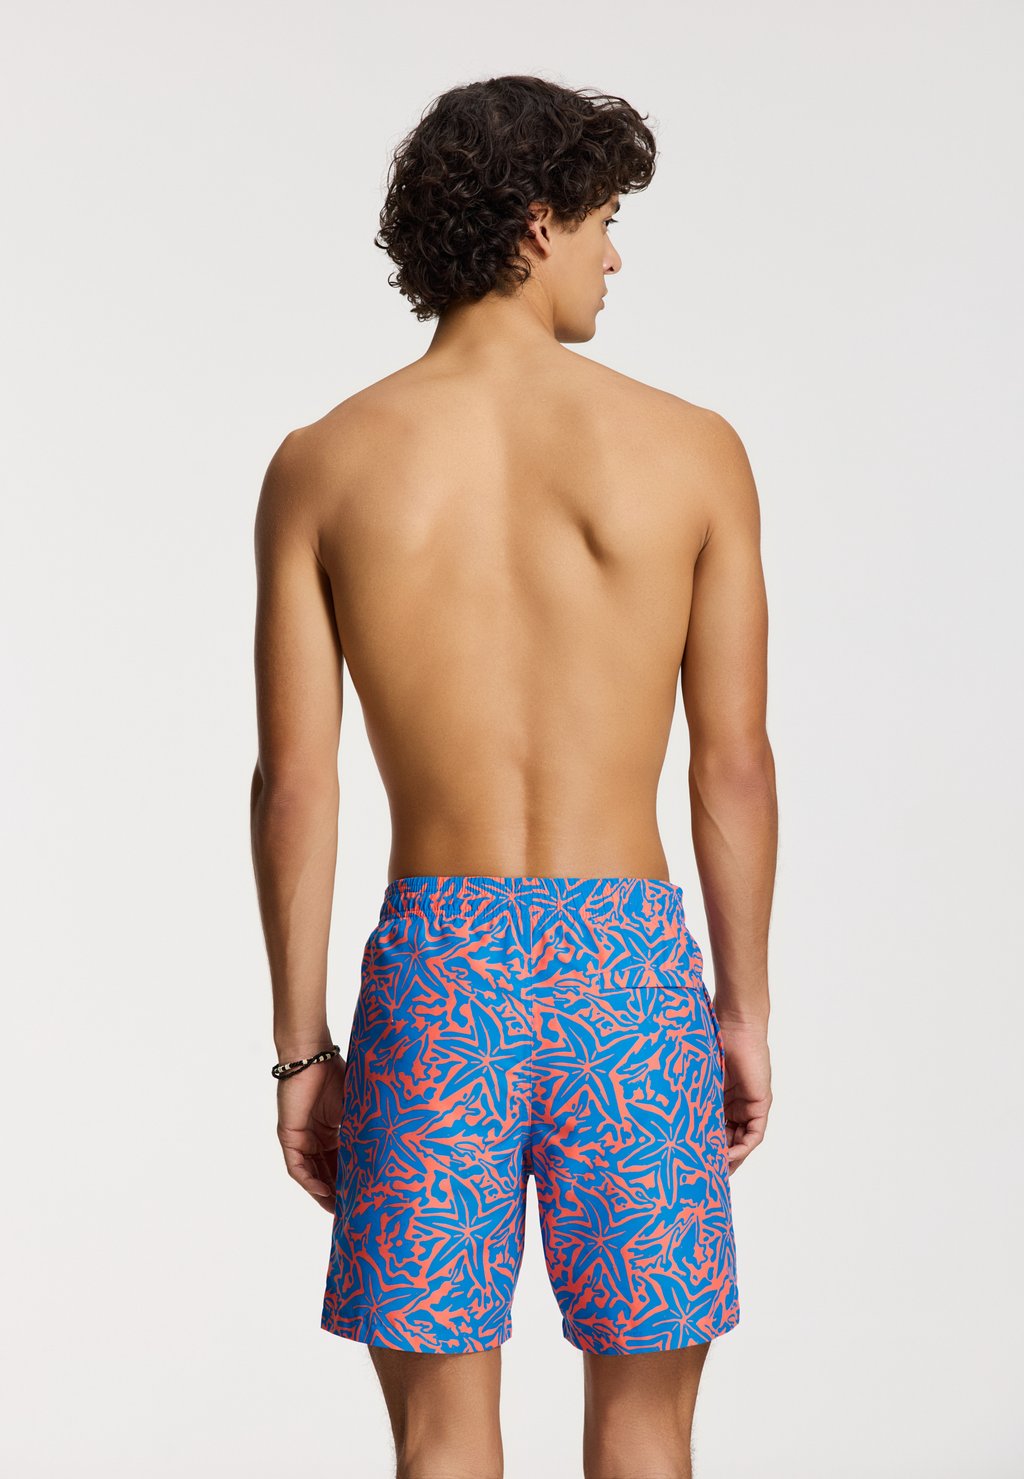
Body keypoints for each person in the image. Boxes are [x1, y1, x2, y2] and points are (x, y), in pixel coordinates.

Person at [250, 73, 776, 1479]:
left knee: (439, 1435)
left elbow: (295, 785)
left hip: (437, 980)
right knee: (650, 1428)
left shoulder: (322, 465)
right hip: (630, 976)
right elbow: (733, 765)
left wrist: (303, 1051)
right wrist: (739, 1010)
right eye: (606, 222)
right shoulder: (694, 451)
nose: (617, 257)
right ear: (539, 223)